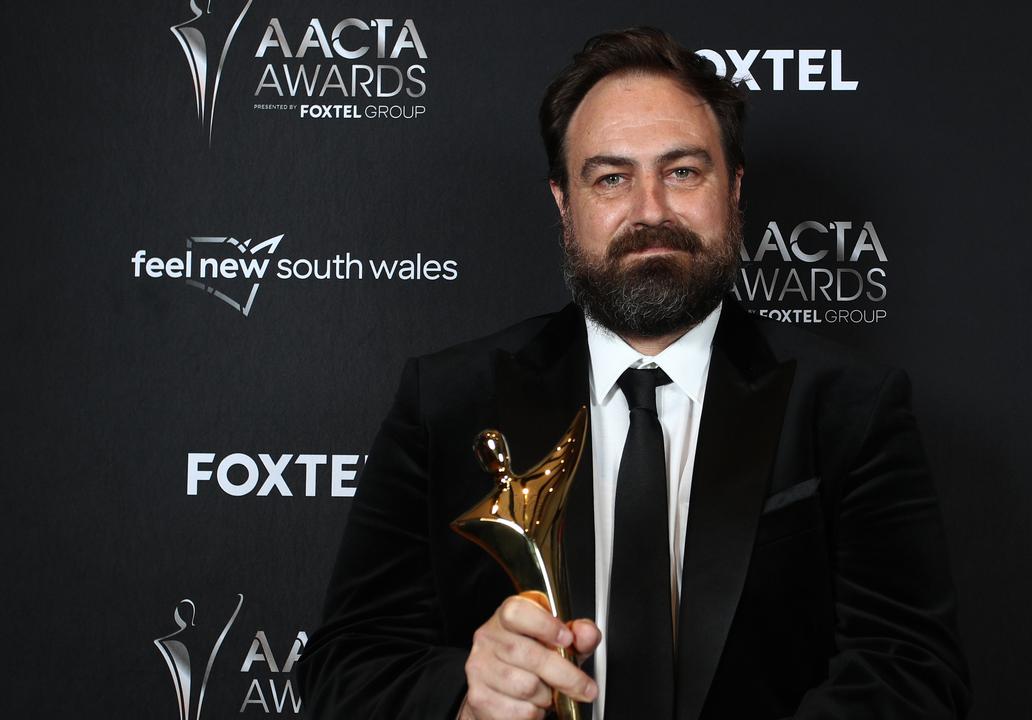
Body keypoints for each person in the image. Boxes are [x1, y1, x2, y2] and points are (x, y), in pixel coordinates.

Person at [296, 27, 970, 720]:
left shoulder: (849, 405)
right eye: (611, 178)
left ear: (734, 189)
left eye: (682, 172)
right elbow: (345, 669)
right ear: (564, 202)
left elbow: (912, 671)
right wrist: (465, 696)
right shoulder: (447, 401)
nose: (650, 212)